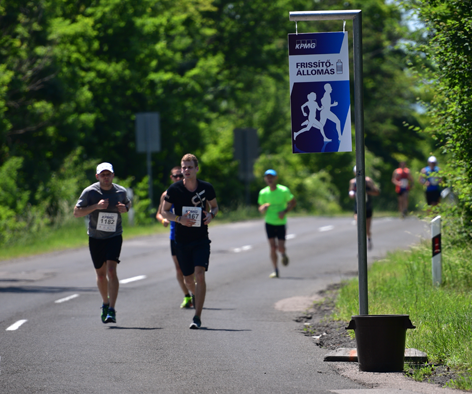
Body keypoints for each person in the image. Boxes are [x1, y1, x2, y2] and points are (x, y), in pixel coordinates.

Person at [161, 153, 218, 329]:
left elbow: (214, 207)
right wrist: (179, 219)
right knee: (188, 279)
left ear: (196, 169)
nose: (186, 170)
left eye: (189, 167)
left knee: (199, 275)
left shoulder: (206, 188)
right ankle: (194, 295)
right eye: (183, 167)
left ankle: (197, 317)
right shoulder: (174, 189)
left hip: (200, 239)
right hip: (181, 240)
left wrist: (210, 215)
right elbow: (164, 212)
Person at [74, 162, 131, 324]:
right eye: (103, 175)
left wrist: (125, 208)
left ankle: (112, 309)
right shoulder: (90, 192)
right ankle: (105, 303)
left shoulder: (120, 191)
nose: (106, 177)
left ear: (113, 175)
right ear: (97, 176)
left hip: (114, 235)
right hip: (96, 237)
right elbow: (77, 212)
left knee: (111, 271)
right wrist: (95, 206)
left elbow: (128, 203)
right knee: (100, 274)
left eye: (109, 174)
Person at [156, 166, 193, 309]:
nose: (177, 178)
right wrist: (163, 220)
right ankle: (187, 296)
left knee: (192, 269)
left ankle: (195, 291)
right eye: (174, 176)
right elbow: (159, 213)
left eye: (179, 176)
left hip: (191, 234)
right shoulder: (166, 194)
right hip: (175, 236)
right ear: (171, 178)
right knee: (179, 269)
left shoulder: (188, 192)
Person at [258, 169, 297, 278]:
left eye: (271, 177)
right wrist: (263, 208)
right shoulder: (263, 192)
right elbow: (260, 209)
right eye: (267, 177)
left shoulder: (283, 190)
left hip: (280, 222)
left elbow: (293, 202)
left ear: (276, 178)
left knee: (280, 247)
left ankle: (283, 254)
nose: (269, 179)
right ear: (265, 179)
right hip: (269, 222)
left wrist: (284, 212)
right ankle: (276, 270)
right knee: (272, 247)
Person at [349, 166, 380, 251]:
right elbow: (351, 191)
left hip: (367, 206)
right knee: (360, 225)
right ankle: (361, 246)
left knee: (367, 229)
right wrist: (352, 193)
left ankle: (369, 239)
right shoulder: (353, 182)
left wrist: (367, 191)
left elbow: (376, 192)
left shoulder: (368, 181)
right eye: (356, 172)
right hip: (358, 206)